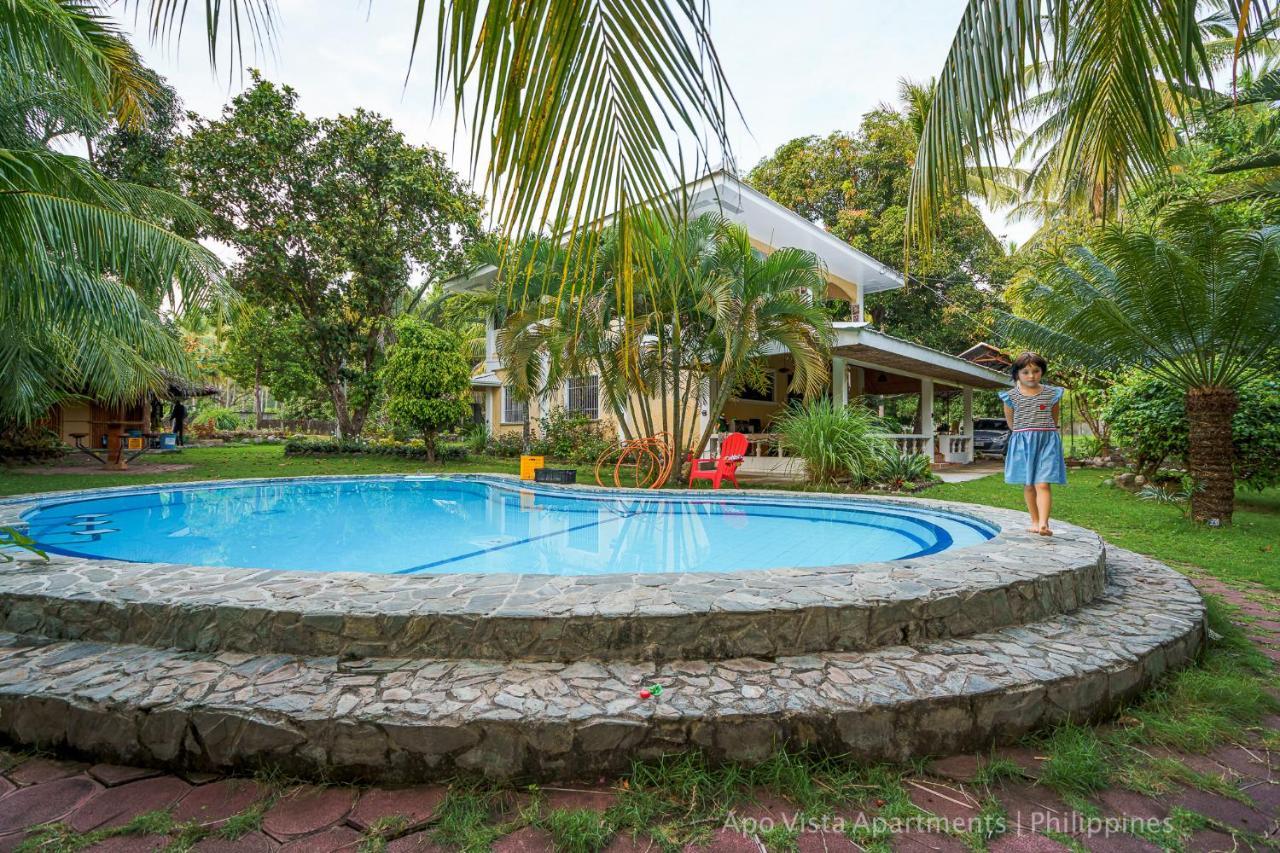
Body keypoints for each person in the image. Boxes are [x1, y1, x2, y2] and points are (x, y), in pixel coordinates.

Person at [998, 351, 1067, 536]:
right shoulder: (1010, 397)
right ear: (1017, 374)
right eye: (1026, 372)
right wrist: (1025, 435)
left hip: (1047, 442)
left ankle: (1044, 524)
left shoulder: (1052, 394)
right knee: (1028, 484)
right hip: (1022, 443)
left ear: (1042, 372)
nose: (1031, 376)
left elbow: (1053, 419)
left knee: (1042, 483)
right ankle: (1035, 521)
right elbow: (1011, 423)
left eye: (1036, 371)